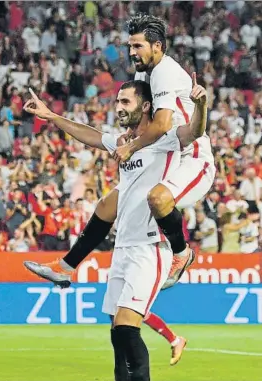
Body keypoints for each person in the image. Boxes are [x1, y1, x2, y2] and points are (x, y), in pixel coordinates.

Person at [24, 79, 208, 379]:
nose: (119, 107)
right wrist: (53, 116)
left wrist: (201, 105)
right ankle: (67, 266)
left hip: (150, 247)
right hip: (123, 246)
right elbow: (91, 136)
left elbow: (195, 131)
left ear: (146, 105)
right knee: (117, 335)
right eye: (118, 101)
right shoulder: (123, 141)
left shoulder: (163, 138)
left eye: (126, 102)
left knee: (126, 327)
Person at [24, 14, 215, 289]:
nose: (132, 52)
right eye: (130, 46)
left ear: (158, 46)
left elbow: (162, 124)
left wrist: (131, 146)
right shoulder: (143, 73)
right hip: (160, 149)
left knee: (159, 198)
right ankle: (66, 268)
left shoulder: (165, 72)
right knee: (106, 205)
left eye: (138, 46)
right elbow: (99, 135)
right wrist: (52, 116)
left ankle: (181, 253)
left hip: (190, 154)